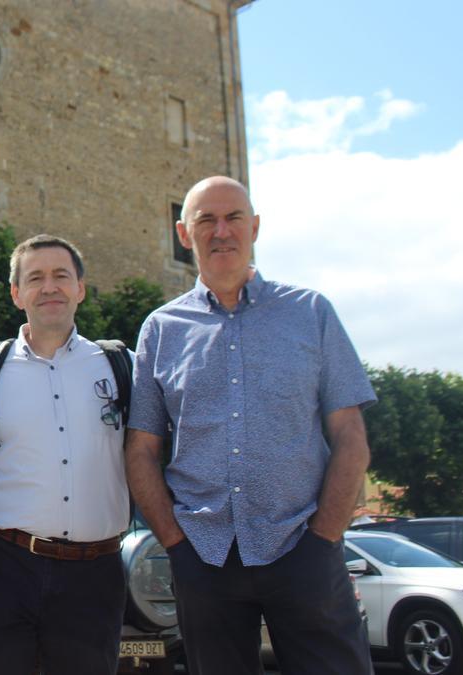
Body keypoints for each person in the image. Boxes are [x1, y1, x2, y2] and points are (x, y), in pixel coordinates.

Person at [125, 176, 375, 675]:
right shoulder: (161, 329)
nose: (221, 231)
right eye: (206, 220)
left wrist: (324, 537)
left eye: (233, 218)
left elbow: (351, 436)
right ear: (183, 233)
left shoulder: (311, 313)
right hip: (205, 558)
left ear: (254, 227)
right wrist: (176, 544)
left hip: (303, 546)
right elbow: (140, 450)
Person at [0, 234, 129, 675]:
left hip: (94, 573)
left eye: (61, 276)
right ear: (16, 294)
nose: (49, 287)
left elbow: (143, 459)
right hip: (2, 569)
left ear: (80, 288)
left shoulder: (121, 365)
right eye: (35, 278)